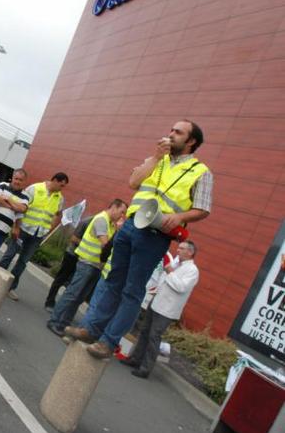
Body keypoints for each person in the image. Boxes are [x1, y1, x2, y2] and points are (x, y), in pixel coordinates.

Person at [66, 120, 212, 360]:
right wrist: (155, 157)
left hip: (155, 234)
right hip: (131, 226)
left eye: (178, 132)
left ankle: (108, 342)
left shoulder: (201, 172)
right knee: (114, 281)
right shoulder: (158, 159)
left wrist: (179, 216)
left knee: (132, 291)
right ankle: (91, 330)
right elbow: (133, 183)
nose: (171, 134)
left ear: (191, 141)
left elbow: (203, 209)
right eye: (171, 130)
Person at [47, 199, 127, 337]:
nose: (122, 216)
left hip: (95, 266)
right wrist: (119, 233)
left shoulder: (111, 224)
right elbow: (105, 244)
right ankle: (54, 321)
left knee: (79, 297)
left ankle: (64, 323)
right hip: (87, 263)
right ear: (114, 207)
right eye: (122, 212)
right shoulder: (102, 220)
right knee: (72, 293)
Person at [121, 241, 200, 378]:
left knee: (154, 337)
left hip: (167, 309)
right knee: (144, 332)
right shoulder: (176, 263)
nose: (178, 250)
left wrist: (170, 272)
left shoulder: (192, 270)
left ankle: (145, 368)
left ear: (190, 252)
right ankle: (135, 359)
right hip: (156, 301)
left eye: (182, 248)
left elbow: (181, 287)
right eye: (179, 247)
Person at [0, 173, 69, 301]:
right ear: (54, 180)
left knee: (23, 262)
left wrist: (49, 229)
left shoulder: (60, 198)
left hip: (38, 234)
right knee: (9, 254)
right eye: (61, 185)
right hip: (23, 229)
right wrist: (16, 226)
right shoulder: (35, 188)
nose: (62, 188)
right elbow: (21, 206)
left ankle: (10, 287)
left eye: (64, 186)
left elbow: (57, 214)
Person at [44, 213, 95, 311]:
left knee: (72, 284)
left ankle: (62, 307)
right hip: (72, 255)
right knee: (61, 278)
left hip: (84, 259)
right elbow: (74, 238)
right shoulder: (87, 221)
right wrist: (89, 245)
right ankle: (49, 301)